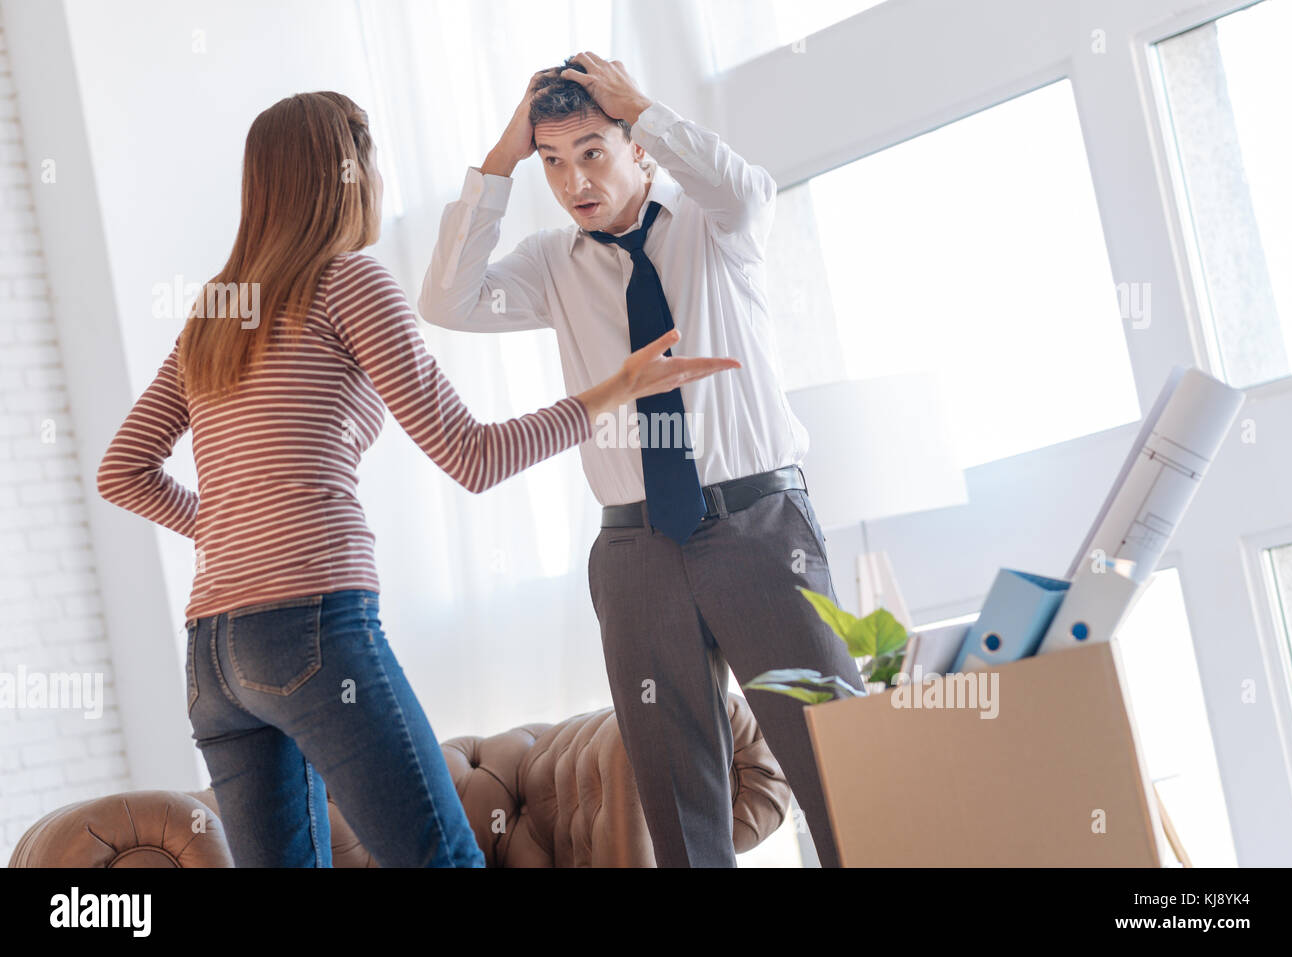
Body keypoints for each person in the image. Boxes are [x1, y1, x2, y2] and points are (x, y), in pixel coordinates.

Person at [96, 90, 738, 868]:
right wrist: (613, 391)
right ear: (351, 170)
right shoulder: (349, 283)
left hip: (215, 658)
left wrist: (233, 528)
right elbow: (473, 456)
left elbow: (121, 470)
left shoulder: (216, 311)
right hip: (311, 628)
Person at [418, 53, 865, 867]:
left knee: (844, 767)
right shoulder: (553, 264)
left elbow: (749, 189)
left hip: (759, 529)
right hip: (634, 554)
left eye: (592, 151)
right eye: (553, 161)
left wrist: (644, 105)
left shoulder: (712, 225)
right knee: (679, 803)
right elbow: (447, 299)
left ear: (640, 150)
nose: (573, 181)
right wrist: (500, 160)